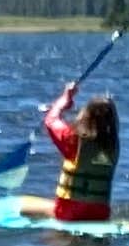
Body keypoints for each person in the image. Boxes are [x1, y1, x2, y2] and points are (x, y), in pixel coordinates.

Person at [40, 75, 120, 222]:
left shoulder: (72, 139)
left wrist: (64, 100)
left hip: (68, 212)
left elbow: (51, 120)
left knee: (53, 242)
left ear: (85, 115)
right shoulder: (113, 145)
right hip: (99, 213)